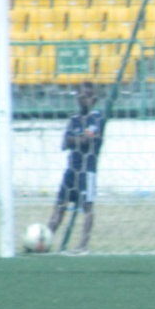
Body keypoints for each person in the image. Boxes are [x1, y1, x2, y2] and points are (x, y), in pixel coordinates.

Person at [47, 81, 104, 253]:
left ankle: (83, 244)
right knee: (60, 206)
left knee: (87, 207)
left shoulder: (97, 118)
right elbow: (65, 143)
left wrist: (76, 140)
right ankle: (45, 239)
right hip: (71, 169)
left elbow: (92, 140)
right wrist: (82, 139)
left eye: (89, 95)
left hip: (88, 170)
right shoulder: (73, 120)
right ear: (77, 98)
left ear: (94, 99)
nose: (85, 99)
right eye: (82, 95)